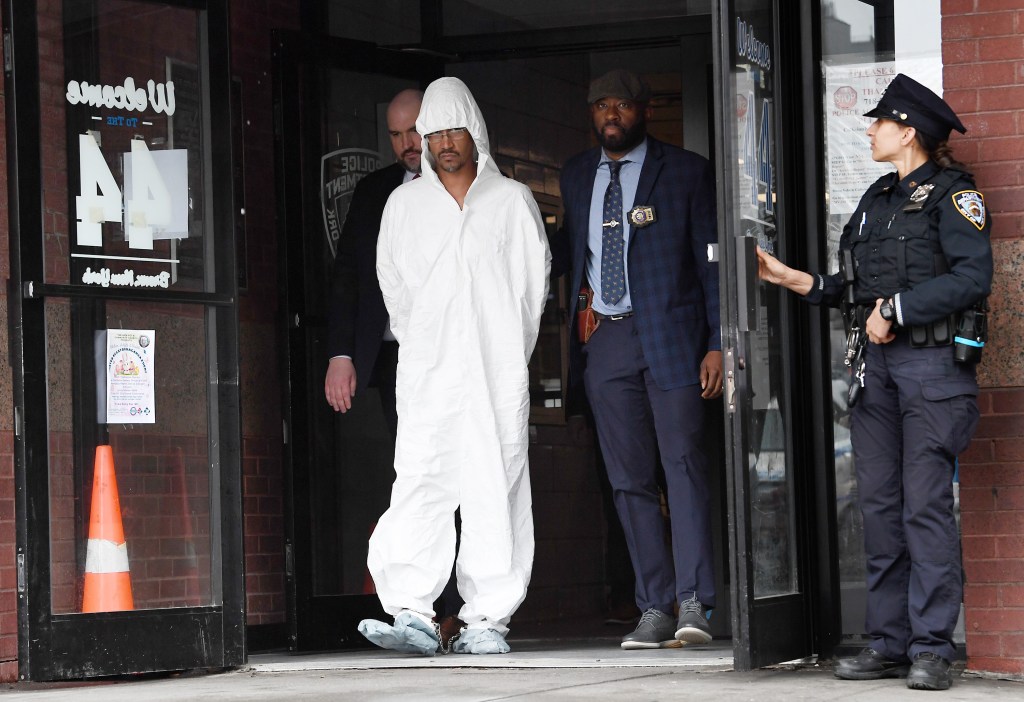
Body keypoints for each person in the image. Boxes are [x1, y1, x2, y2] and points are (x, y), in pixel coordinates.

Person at [756, 73, 992, 692]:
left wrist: (897, 311)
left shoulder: (953, 196)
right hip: (878, 373)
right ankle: (890, 642)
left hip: (932, 372)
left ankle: (933, 648)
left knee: (925, 510)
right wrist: (797, 282)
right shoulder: (875, 200)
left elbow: (972, 277)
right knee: (880, 511)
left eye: (879, 121)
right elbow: (852, 289)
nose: (869, 130)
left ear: (907, 131)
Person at [357, 76, 551, 656]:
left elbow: (531, 291)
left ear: (475, 132)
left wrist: (505, 356)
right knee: (421, 482)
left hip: (496, 373)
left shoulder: (511, 201)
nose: (443, 142)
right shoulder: (404, 205)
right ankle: (412, 612)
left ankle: (487, 618)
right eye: (432, 131)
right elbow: (395, 288)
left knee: (497, 486)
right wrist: (424, 346)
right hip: (429, 372)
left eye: (453, 130)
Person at [556, 69, 722, 650]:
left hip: (674, 337)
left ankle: (695, 603)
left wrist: (719, 342)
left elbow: (712, 267)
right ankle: (653, 606)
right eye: (601, 104)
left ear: (642, 110)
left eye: (621, 104)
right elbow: (566, 259)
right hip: (608, 340)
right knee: (627, 480)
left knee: (684, 467)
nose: (610, 114)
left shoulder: (685, 171)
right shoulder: (576, 175)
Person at [324, 88, 423, 437]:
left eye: (414, 130)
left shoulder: (463, 187)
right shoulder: (373, 190)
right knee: (405, 463)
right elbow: (347, 272)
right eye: (396, 135)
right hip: (389, 353)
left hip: (448, 351)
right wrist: (340, 354)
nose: (406, 143)